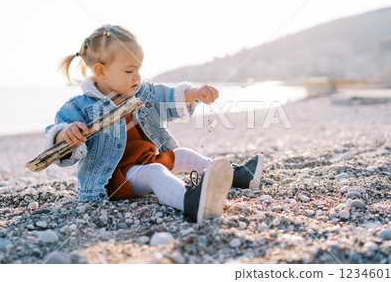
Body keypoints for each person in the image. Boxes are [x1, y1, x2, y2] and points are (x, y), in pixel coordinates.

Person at [43, 24, 264, 223]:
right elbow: (56, 137)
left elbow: (170, 96)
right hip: (113, 179)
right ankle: (191, 203)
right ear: (101, 71)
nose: (137, 77)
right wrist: (66, 134)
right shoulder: (80, 107)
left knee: (184, 154)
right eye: (129, 71)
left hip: (147, 162)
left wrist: (195, 93)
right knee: (156, 172)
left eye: (139, 69)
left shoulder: (144, 93)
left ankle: (239, 176)